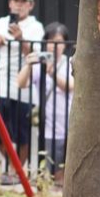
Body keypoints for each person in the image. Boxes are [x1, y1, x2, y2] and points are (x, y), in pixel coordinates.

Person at [0, 0, 45, 183]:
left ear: (31, 5)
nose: (19, 5)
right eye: (15, 0)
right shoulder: (1, 23)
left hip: (22, 90)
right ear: (9, 3)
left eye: (23, 1)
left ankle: (16, 172)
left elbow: (33, 55)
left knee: (21, 136)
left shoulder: (35, 27)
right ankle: (11, 168)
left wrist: (21, 38)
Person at [31, 23, 72, 184]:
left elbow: (71, 86)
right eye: (51, 41)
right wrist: (29, 64)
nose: (55, 46)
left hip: (67, 124)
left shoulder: (69, 64)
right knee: (48, 168)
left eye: (60, 42)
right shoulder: (40, 63)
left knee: (63, 170)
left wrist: (53, 73)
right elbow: (21, 83)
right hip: (47, 127)